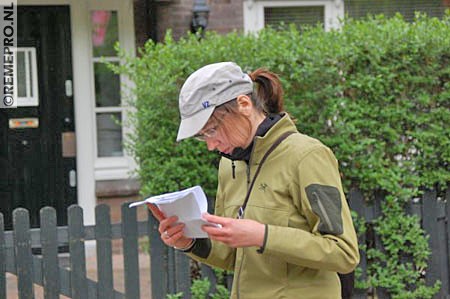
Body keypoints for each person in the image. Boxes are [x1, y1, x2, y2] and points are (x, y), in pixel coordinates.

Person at [148, 62, 360, 299]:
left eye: (212, 130)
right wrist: (189, 242)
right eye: (201, 136)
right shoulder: (229, 165)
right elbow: (232, 255)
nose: (210, 145)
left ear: (244, 104)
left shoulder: (307, 156)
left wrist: (262, 235)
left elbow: (344, 253)